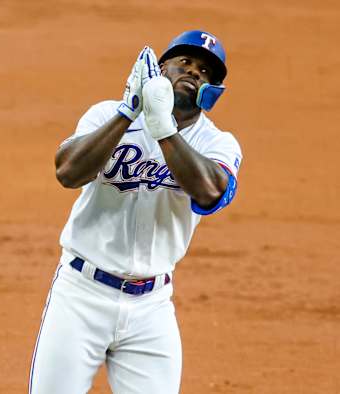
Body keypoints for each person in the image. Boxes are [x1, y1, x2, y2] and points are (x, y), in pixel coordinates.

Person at [29, 30, 242, 393]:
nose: (193, 72)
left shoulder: (218, 142)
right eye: (184, 63)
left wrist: (163, 128)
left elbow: (208, 193)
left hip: (151, 308)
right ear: (159, 72)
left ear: (214, 90)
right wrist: (127, 112)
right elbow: (68, 172)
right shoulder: (106, 115)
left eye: (205, 71)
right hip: (80, 295)